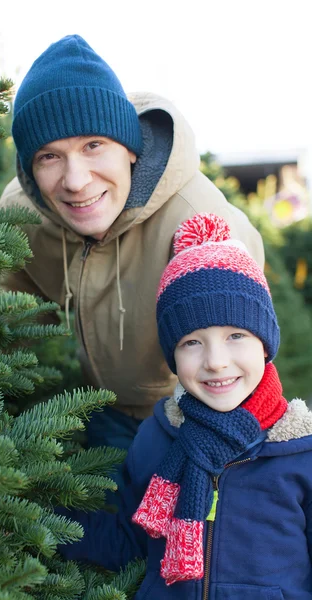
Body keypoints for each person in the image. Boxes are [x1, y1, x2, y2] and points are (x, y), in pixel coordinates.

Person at [0, 34, 264, 455]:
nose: (75, 180)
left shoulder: (196, 217)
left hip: (193, 411)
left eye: (93, 145)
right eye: (49, 156)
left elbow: (244, 346)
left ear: (131, 150)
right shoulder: (23, 216)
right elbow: (5, 324)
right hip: (103, 406)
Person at [59, 213, 312, 599]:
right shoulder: (157, 438)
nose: (215, 361)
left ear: (265, 343)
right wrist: (40, 519)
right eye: (192, 342)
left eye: (236, 335)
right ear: (172, 355)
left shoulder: (300, 454)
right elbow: (130, 541)